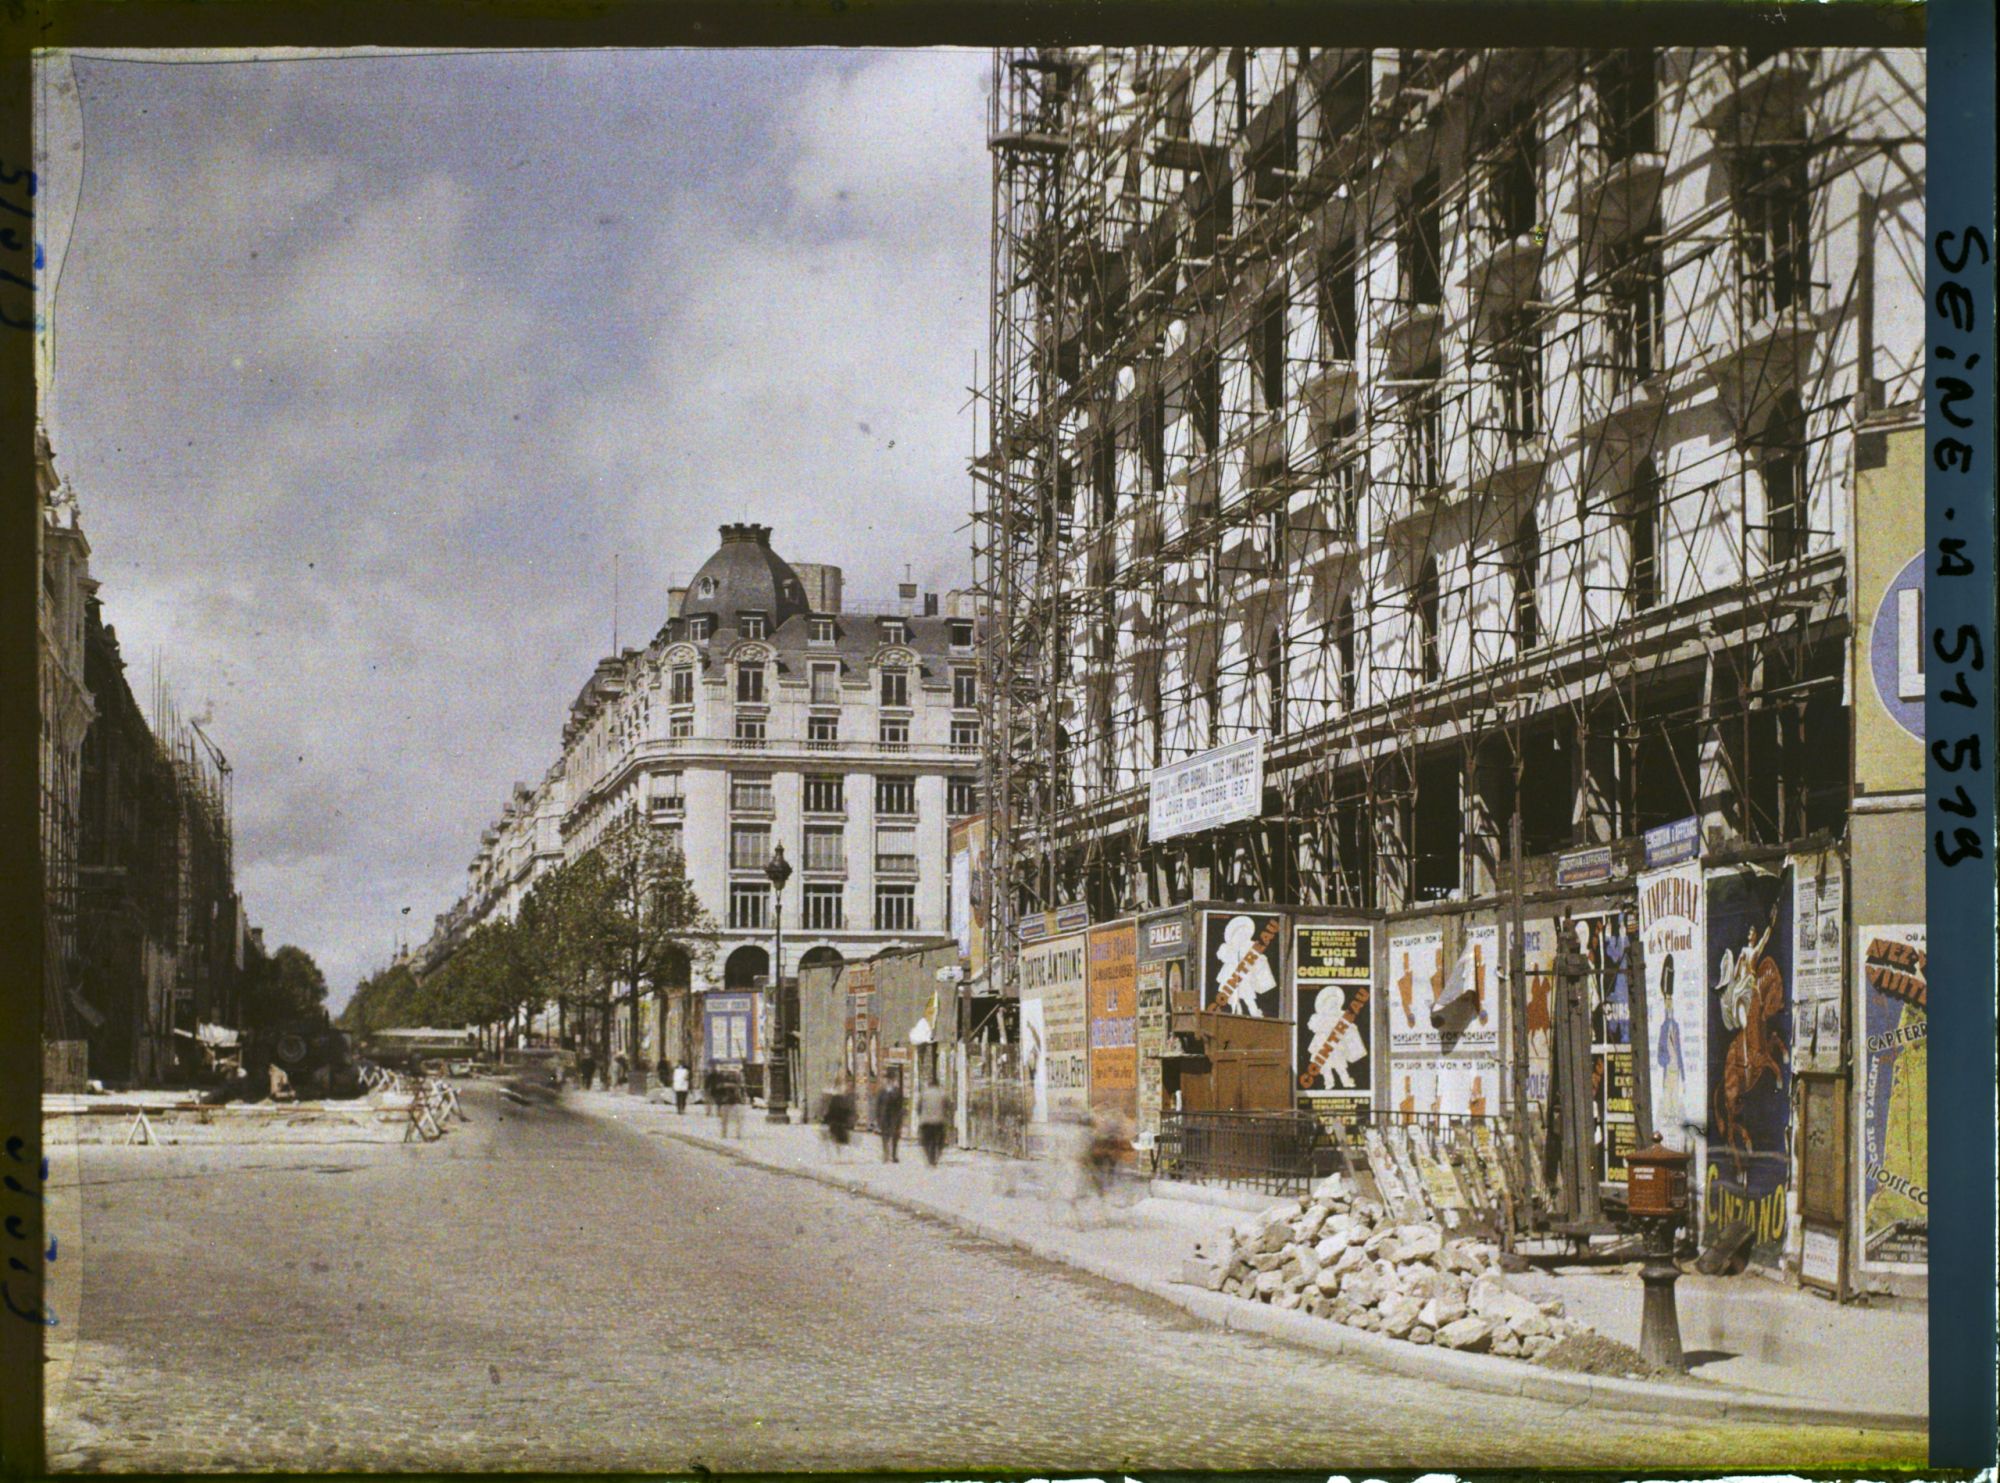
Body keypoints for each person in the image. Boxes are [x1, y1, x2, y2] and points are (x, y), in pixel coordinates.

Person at [916, 1074, 951, 1167]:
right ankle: (936, 1156)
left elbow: (918, 1107)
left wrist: (921, 1115)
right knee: (939, 1141)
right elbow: (948, 1107)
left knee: (926, 1140)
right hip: (939, 1121)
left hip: (926, 1121)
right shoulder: (943, 1094)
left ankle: (930, 1157)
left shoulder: (923, 1093)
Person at [823, 1076, 857, 1161]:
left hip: (842, 1122)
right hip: (839, 1122)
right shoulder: (837, 1098)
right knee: (840, 1141)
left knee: (841, 1141)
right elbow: (831, 1111)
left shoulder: (844, 1097)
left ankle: (842, 1157)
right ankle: (841, 1157)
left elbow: (850, 1110)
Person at [875, 1071, 906, 1163]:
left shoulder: (897, 1091)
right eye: (888, 1079)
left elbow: (900, 1105)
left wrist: (900, 1118)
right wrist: (878, 1117)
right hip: (884, 1117)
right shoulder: (882, 1091)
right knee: (885, 1136)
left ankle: (894, 1155)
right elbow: (878, 1105)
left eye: (891, 1079)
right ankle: (886, 1154)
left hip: (894, 1117)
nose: (889, 1081)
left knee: (895, 1136)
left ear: (893, 1080)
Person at [716, 1065, 745, 1139]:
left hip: (729, 1101)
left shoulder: (722, 1082)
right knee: (735, 1119)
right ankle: (734, 1134)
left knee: (726, 1119)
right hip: (731, 1101)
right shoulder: (724, 1083)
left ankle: (726, 1134)